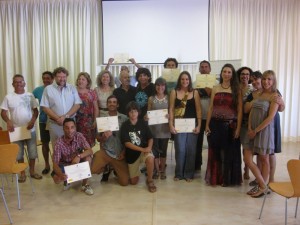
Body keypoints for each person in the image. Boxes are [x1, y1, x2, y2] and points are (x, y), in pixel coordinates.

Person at [205, 63, 242, 186]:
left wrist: (238, 129)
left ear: (232, 75)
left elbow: (240, 110)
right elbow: (210, 108)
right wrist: (207, 125)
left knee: (228, 153)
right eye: (224, 71)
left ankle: (227, 179)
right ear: (221, 73)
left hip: (230, 126)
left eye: (229, 72)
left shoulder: (237, 90)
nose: (226, 74)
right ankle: (216, 178)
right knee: (215, 152)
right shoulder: (215, 88)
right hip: (215, 124)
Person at [244, 70, 280, 198]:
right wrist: (249, 127)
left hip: (264, 131)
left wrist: (256, 130)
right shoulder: (258, 94)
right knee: (252, 158)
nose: (266, 81)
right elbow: (251, 112)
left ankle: (262, 187)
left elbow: (270, 117)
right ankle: (262, 185)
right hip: (253, 130)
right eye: (264, 79)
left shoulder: (275, 96)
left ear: (273, 81)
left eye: (269, 79)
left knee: (264, 158)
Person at [1, 74, 42, 182]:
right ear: (13, 84)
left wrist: (33, 121)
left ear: (24, 83)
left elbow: (36, 111)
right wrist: (8, 122)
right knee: (19, 153)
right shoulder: (8, 97)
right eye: (16, 82)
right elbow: (3, 113)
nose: (19, 83)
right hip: (15, 130)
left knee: (32, 152)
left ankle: (32, 171)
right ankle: (22, 173)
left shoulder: (30, 96)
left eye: (21, 81)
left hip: (29, 129)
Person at [169, 71, 201, 182]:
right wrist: (171, 125)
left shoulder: (195, 92)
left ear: (190, 80)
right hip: (179, 125)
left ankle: (188, 174)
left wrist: (199, 125)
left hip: (192, 125)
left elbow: (198, 110)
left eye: (187, 79)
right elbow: (171, 109)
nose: (185, 81)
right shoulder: (174, 92)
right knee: (180, 150)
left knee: (191, 150)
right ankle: (178, 174)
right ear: (179, 80)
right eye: (182, 79)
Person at [91, 95, 129, 186]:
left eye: (114, 102)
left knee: (124, 182)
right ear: (107, 105)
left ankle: (114, 168)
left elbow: (128, 138)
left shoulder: (124, 119)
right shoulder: (102, 119)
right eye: (110, 102)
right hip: (106, 152)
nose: (112, 104)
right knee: (93, 170)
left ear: (118, 105)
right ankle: (106, 167)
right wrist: (103, 137)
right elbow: (98, 138)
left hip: (119, 153)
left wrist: (124, 152)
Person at [41, 67, 82, 149]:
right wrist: (58, 119)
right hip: (55, 124)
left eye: (64, 76)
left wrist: (64, 117)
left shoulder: (72, 88)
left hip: (70, 123)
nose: (62, 79)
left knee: (72, 146)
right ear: (55, 77)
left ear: (66, 77)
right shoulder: (48, 89)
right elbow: (45, 107)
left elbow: (77, 104)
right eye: (59, 76)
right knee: (57, 147)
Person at [120, 101, 156, 193]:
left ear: (138, 112)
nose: (133, 113)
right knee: (133, 182)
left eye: (135, 111)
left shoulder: (143, 123)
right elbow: (127, 143)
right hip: (132, 155)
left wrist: (149, 148)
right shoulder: (124, 125)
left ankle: (150, 180)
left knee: (150, 158)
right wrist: (143, 149)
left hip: (144, 151)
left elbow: (150, 137)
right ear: (128, 113)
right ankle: (137, 170)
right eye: (131, 111)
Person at [51, 118, 94, 195]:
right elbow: (55, 164)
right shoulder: (59, 143)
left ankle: (85, 185)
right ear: (63, 129)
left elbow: (90, 150)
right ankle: (67, 180)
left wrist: (79, 156)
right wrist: (61, 175)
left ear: (75, 127)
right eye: (67, 128)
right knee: (56, 180)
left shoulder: (79, 136)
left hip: (76, 162)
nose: (70, 130)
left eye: (72, 127)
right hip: (65, 165)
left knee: (88, 158)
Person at [147, 78, 170, 179]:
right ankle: (156, 170)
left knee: (163, 151)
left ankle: (163, 170)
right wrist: (146, 117)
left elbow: (172, 111)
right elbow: (148, 113)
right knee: (155, 151)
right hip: (154, 129)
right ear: (155, 86)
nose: (160, 87)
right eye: (158, 85)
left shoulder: (169, 98)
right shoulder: (151, 98)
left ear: (165, 87)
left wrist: (170, 116)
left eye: (162, 85)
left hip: (165, 129)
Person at [32, 71, 54, 175]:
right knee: (45, 144)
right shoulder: (37, 90)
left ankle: (57, 166)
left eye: (48, 78)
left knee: (57, 144)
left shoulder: (56, 89)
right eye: (44, 78)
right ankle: (47, 165)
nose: (46, 80)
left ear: (52, 79)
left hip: (55, 121)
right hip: (43, 120)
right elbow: (30, 103)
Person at [236, 66, 254, 180]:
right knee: (234, 148)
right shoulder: (235, 88)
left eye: (247, 74)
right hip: (234, 121)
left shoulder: (253, 90)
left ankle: (246, 170)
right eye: (242, 74)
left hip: (247, 123)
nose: (245, 76)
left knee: (246, 149)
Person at [195, 60, 213, 171]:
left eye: (206, 67)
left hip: (212, 117)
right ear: (199, 69)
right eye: (202, 67)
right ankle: (197, 165)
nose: (204, 68)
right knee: (198, 143)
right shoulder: (193, 83)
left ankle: (213, 167)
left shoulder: (216, 83)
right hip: (199, 117)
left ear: (210, 69)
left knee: (213, 143)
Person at [75, 72, 99, 147]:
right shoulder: (73, 91)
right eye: (79, 79)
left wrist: (95, 120)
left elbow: (96, 108)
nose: (80, 81)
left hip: (89, 121)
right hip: (76, 121)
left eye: (83, 79)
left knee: (88, 143)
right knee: (77, 143)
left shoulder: (92, 92)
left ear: (87, 82)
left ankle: (88, 158)